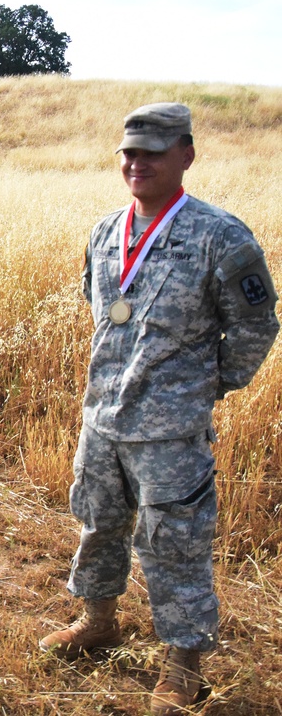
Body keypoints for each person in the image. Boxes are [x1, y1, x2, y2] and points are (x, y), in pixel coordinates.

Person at [39, 103, 279, 715]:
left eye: (151, 151)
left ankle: (182, 665)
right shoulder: (104, 231)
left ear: (186, 155)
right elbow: (100, 308)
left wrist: (204, 386)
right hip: (103, 420)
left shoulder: (220, 236)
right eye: (128, 152)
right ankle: (97, 621)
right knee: (97, 526)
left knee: (175, 544)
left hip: (170, 433)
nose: (136, 162)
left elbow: (255, 325)